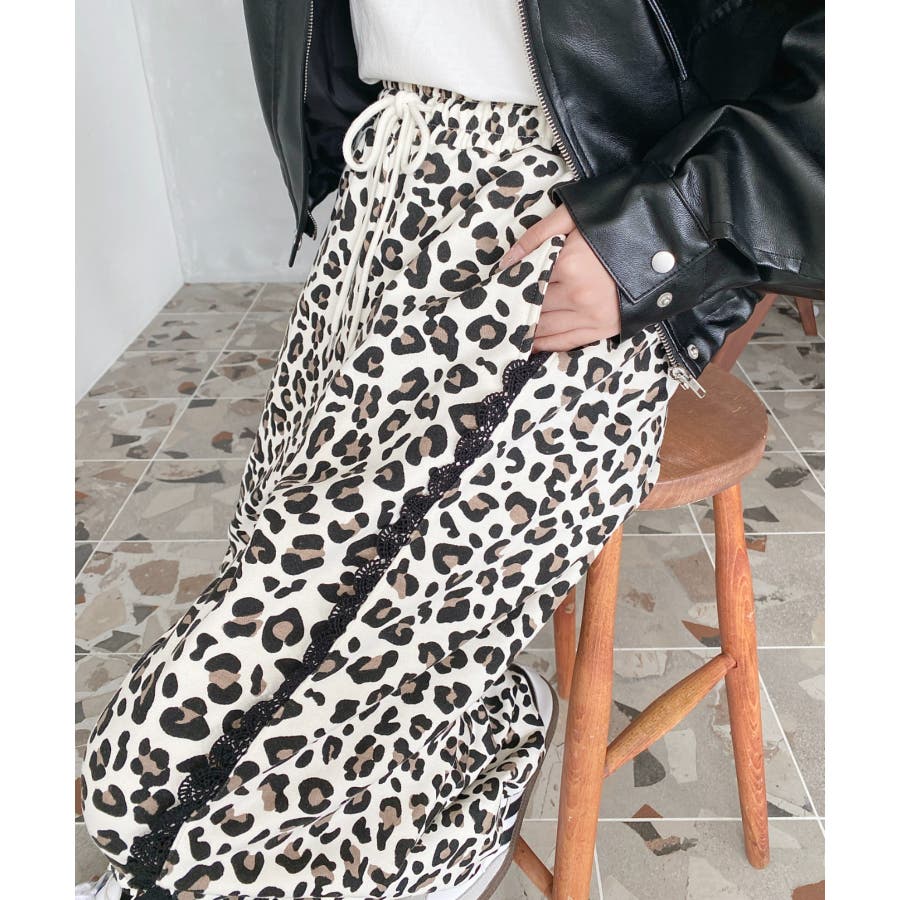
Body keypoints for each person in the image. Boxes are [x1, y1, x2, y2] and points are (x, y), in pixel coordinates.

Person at [78, 1, 824, 897]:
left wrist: (670, 230)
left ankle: (439, 808)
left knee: (149, 775)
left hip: (574, 208)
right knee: (275, 553)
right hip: (385, 184)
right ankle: (458, 772)